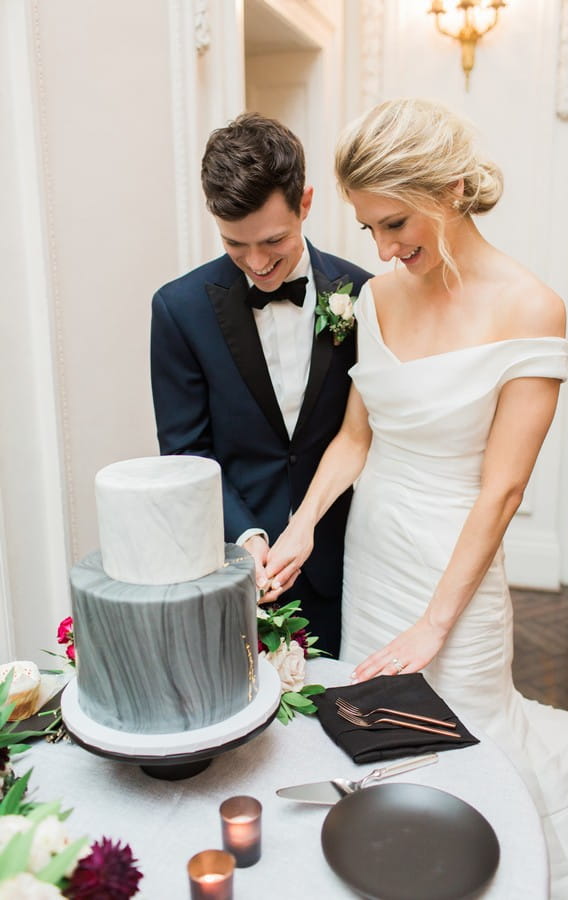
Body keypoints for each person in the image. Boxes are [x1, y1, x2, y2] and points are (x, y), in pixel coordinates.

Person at [266, 98, 568, 897]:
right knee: (379, 738)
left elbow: (502, 488)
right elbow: (356, 438)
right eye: (368, 229)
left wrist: (435, 624)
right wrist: (304, 525)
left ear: (450, 190)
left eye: (394, 224)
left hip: (456, 572)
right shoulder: (379, 299)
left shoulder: (532, 307)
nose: (381, 249)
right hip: (377, 552)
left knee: (468, 738)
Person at [150, 112, 371, 656]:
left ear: (306, 203)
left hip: (345, 561)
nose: (256, 263)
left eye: (273, 240)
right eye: (234, 245)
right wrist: (247, 540)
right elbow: (185, 450)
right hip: (232, 566)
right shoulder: (178, 309)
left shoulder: (363, 293)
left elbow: (367, 432)